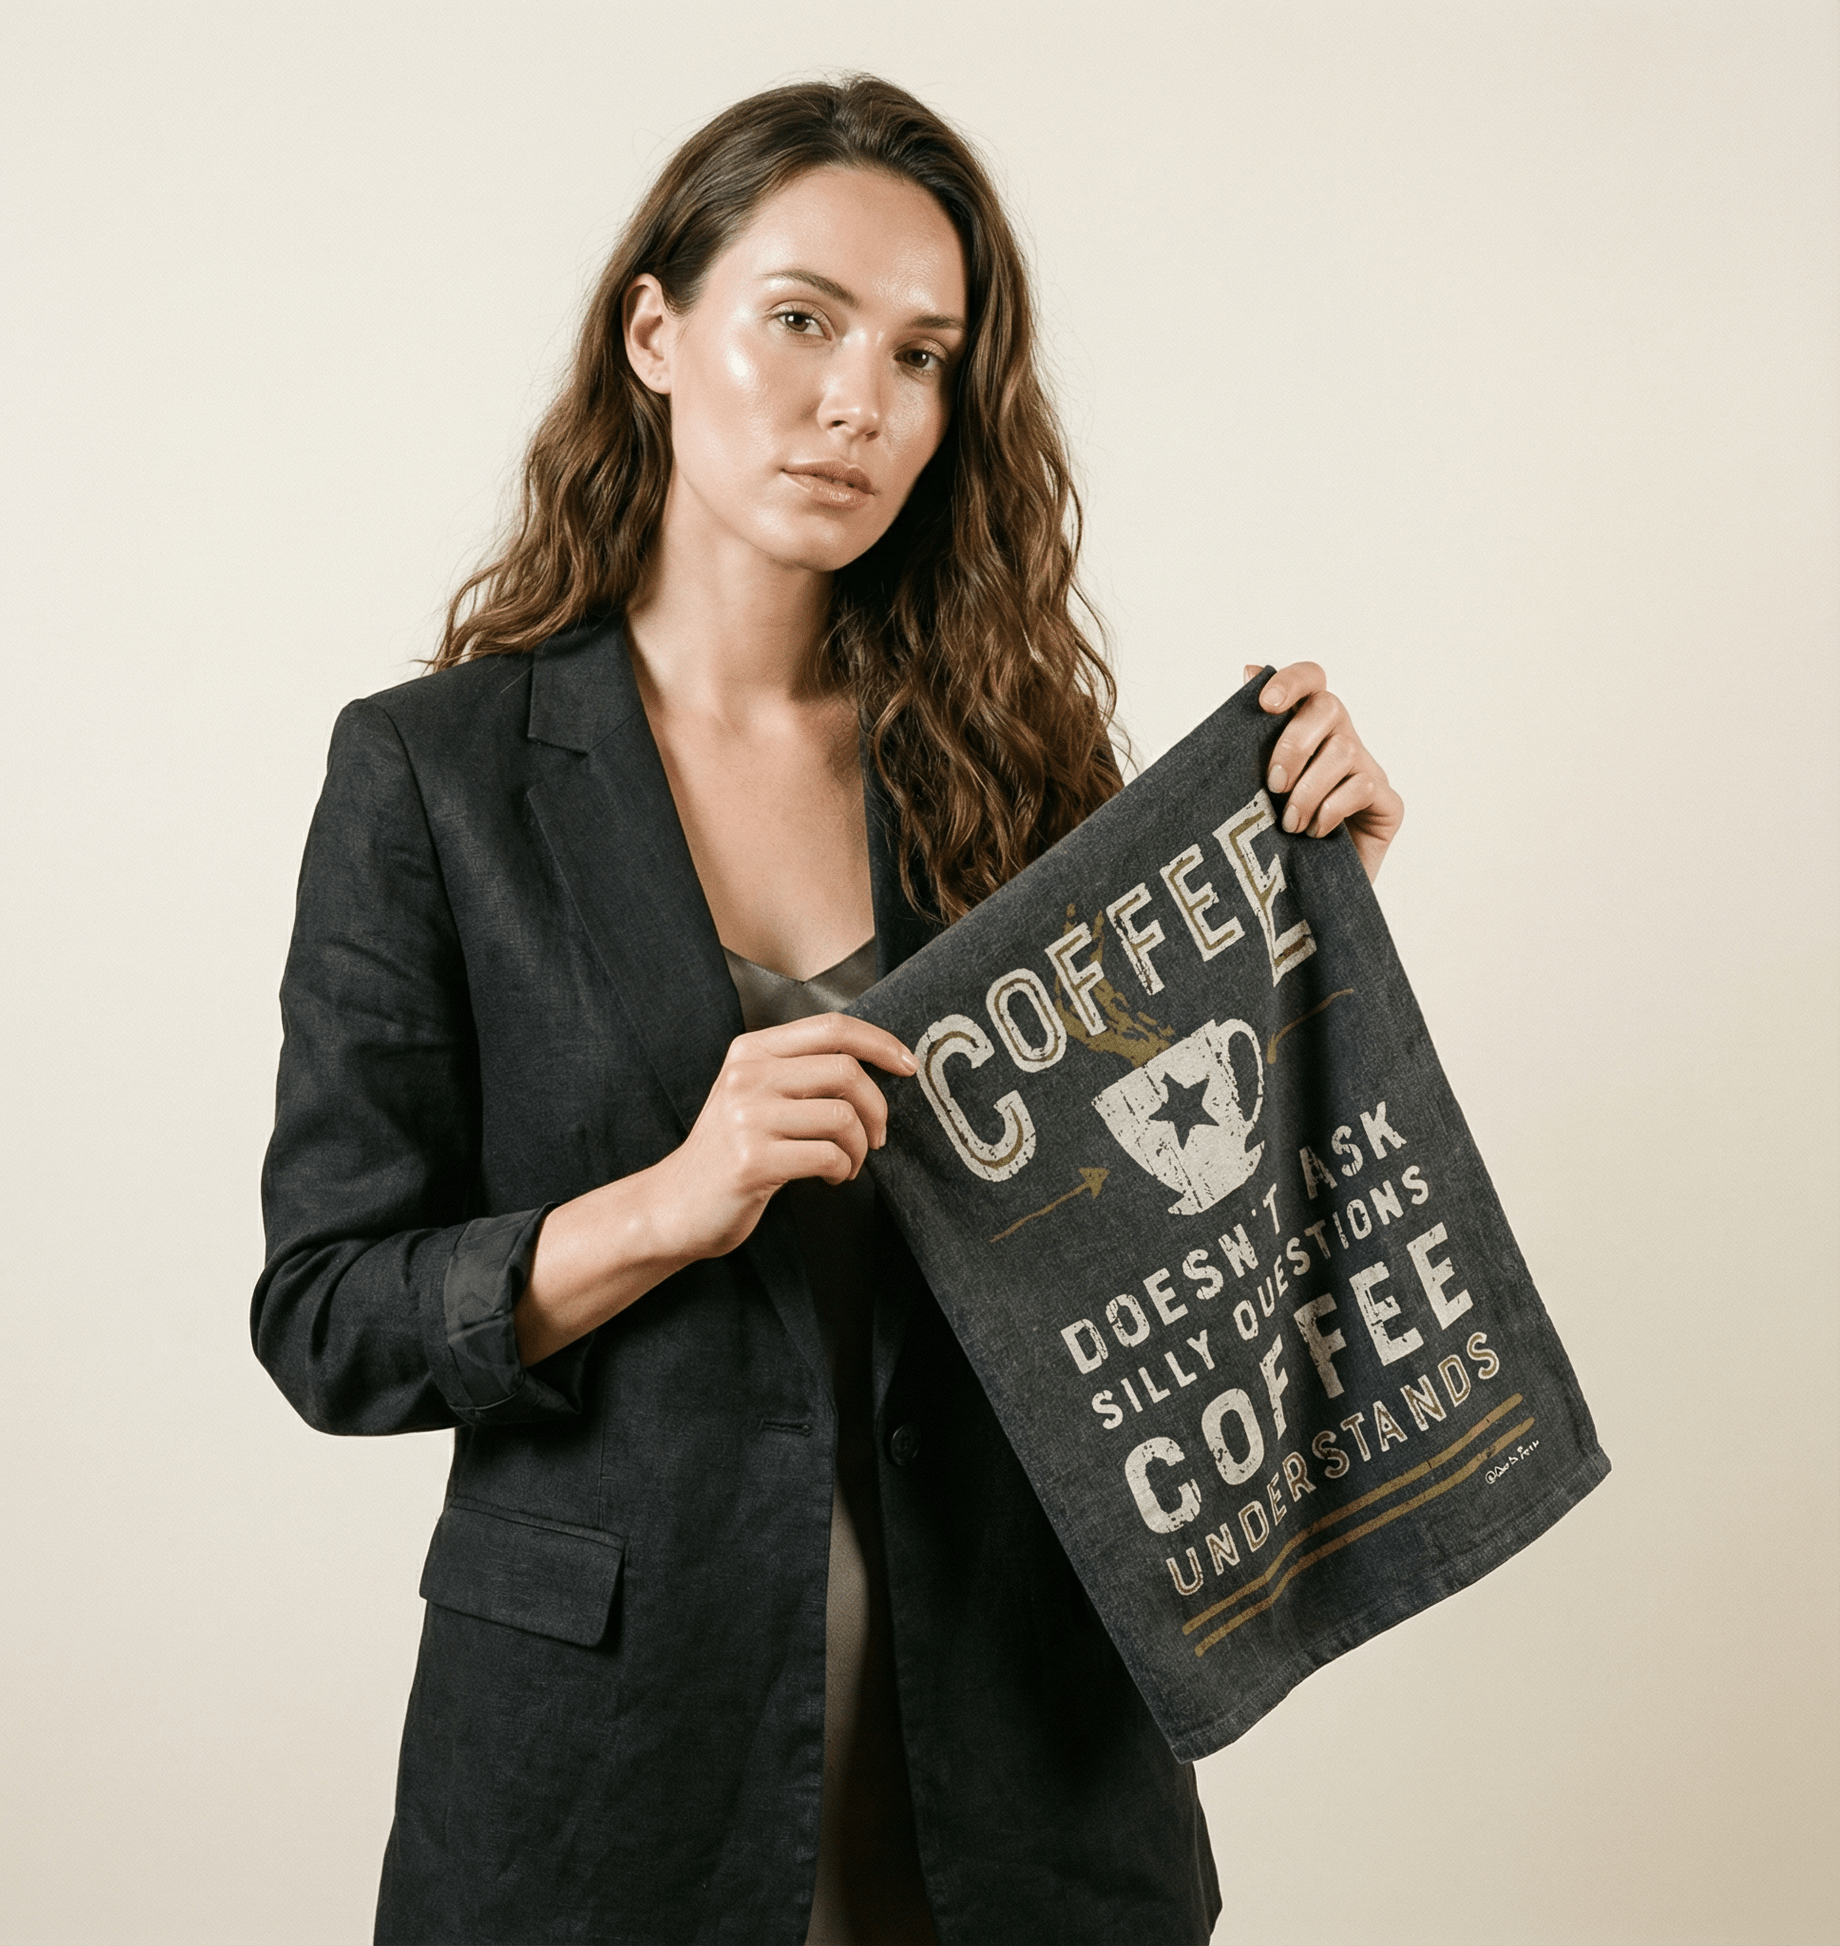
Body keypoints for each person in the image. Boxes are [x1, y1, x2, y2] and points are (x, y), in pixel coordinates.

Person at [253, 75, 1403, 1946]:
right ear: (655, 330)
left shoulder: (1018, 769)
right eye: (800, 317)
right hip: (609, 1778)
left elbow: (1177, 1213)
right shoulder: (434, 779)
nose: (860, 400)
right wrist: (664, 1204)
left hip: (1021, 1761)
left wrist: (1303, 908)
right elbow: (327, 1316)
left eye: (923, 355)